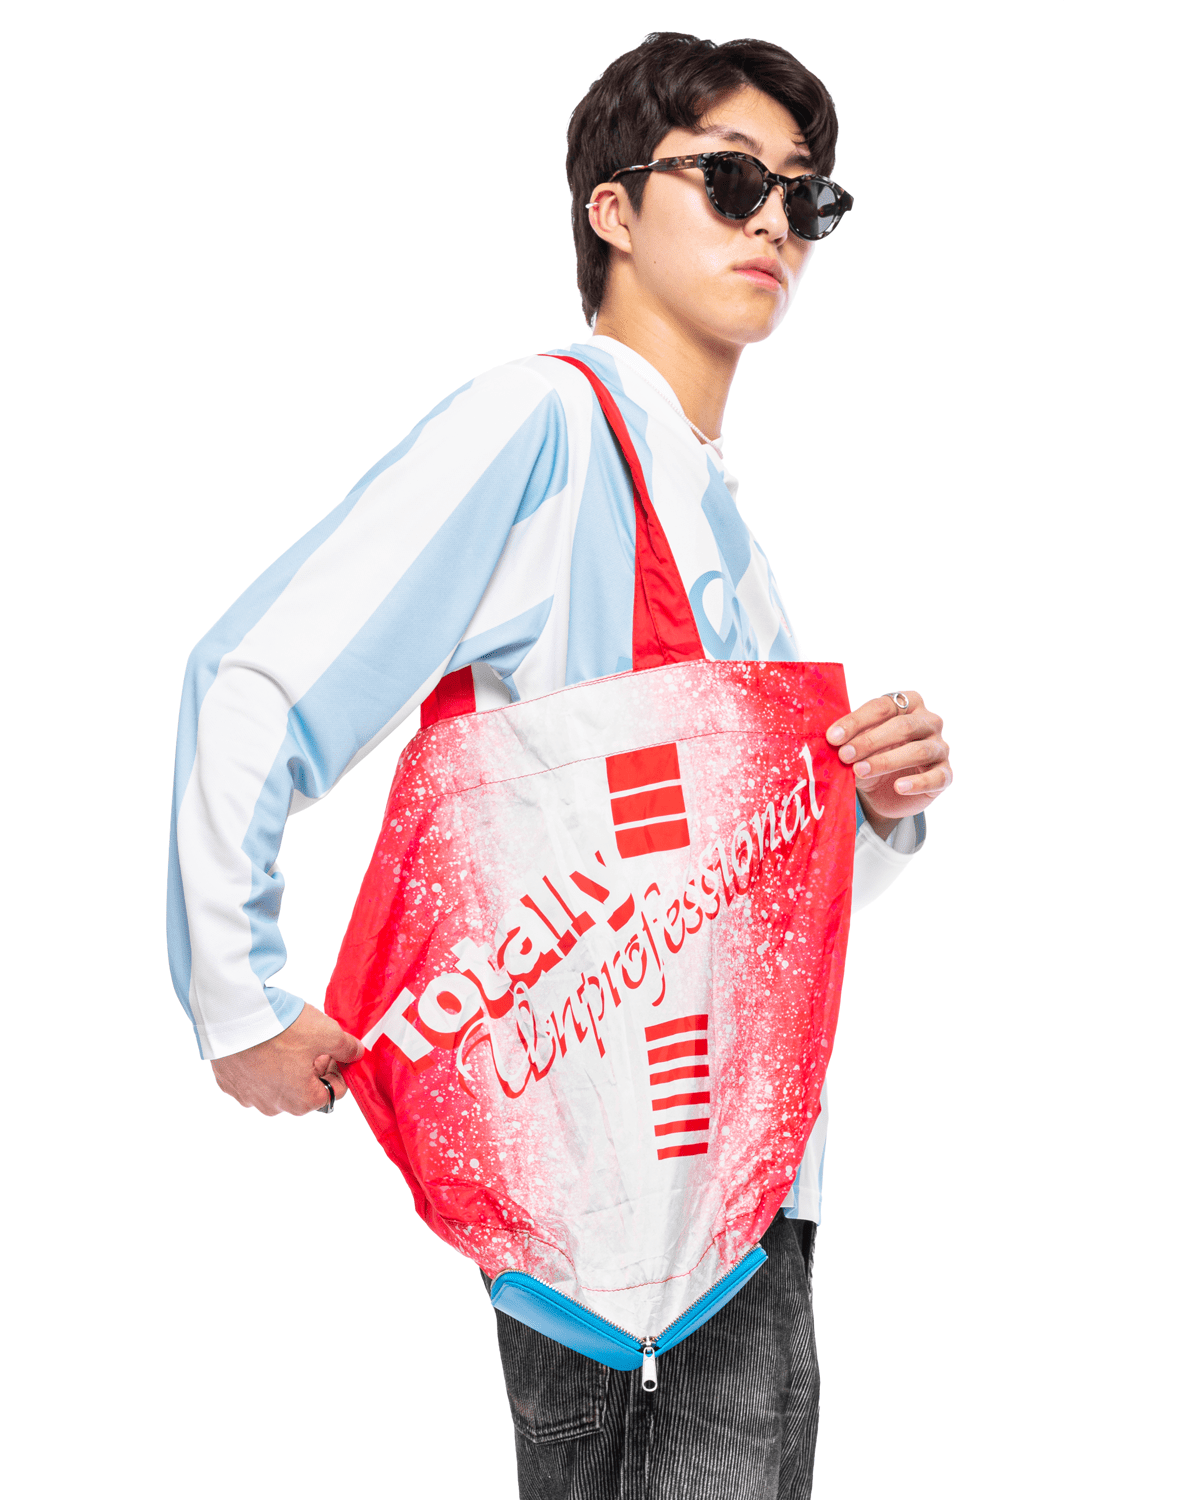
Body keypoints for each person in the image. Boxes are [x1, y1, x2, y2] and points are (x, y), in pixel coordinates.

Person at [168, 31, 953, 1499]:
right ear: (613, 209)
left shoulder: (714, 513)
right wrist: (235, 993)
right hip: (619, 1203)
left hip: (729, 1180)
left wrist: (866, 803)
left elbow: (733, 903)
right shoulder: (545, 428)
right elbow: (258, 676)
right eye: (733, 181)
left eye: (806, 197)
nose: (777, 224)